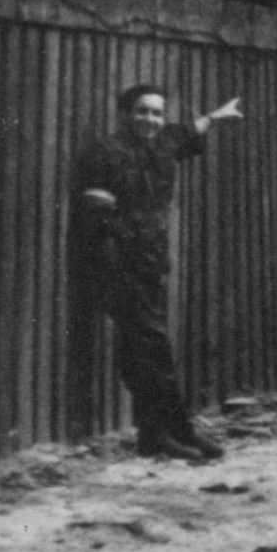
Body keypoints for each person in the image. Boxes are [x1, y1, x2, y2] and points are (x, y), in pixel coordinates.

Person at [75, 83, 242, 463]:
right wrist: (116, 265)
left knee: (142, 352)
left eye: (156, 113)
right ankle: (178, 432)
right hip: (119, 264)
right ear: (124, 114)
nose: (149, 119)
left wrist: (215, 117)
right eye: (142, 111)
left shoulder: (162, 143)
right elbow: (96, 219)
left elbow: (186, 132)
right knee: (154, 350)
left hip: (152, 264)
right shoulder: (105, 153)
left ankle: (155, 437)